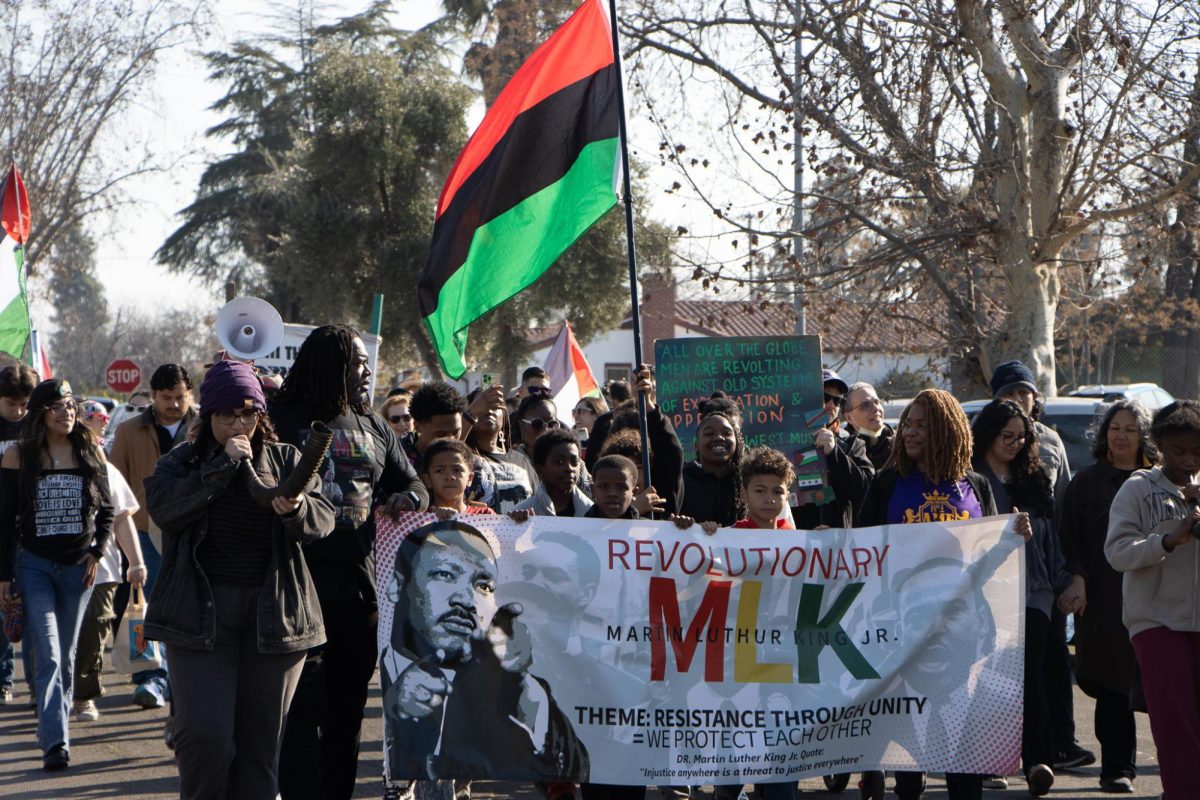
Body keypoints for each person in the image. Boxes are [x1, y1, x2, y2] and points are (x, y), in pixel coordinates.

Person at [143, 359, 335, 799]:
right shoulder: (182, 461)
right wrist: (221, 468)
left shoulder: (288, 459)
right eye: (226, 414)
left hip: (274, 619)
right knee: (205, 738)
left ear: (261, 415)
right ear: (208, 416)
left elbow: (324, 518)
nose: (238, 423)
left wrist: (299, 510)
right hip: (198, 619)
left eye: (248, 413)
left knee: (258, 749)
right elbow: (165, 510)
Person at [271, 324, 430, 800]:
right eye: (356, 363)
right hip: (294, 592)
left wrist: (408, 498)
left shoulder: (375, 426)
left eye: (366, 363)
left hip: (358, 594)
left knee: (346, 713)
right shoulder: (279, 417)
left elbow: (417, 485)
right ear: (329, 364)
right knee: (298, 713)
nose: (366, 371)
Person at [858, 388, 1031, 800]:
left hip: (961, 635)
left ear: (946, 431)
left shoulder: (974, 486)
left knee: (964, 753)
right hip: (905, 632)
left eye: (921, 425)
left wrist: (1011, 540)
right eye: (908, 425)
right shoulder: (888, 483)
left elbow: (987, 560)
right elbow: (862, 553)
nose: (909, 432)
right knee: (908, 758)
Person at [380, 518, 588, 781]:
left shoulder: (519, 689)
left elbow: (575, 767)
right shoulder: (357, 683)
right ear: (398, 585)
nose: (466, 600)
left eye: (483, 586)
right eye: (445, 574)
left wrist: (523, 693)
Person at [0, 379, 114, 770]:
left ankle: (56, 728)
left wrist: (97, 553)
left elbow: (109, 511)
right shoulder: (19, 455)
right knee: (46, 651)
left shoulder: (89, 452)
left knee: (65, 656)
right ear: (41, 414)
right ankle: (55, 743)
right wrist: (3, 576)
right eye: (57, 407)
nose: (67, 413)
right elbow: (3, 521)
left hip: (76, 568)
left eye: (70, 406)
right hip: (33, 565)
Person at [988, 359, 1092, 770]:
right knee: (1004, 671)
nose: (1017, 401)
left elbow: (1062, 513)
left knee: (1051, 665)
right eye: (1008, 394)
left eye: (1023, 393)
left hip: (1043, 578)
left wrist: (1072, 575)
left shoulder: (1049, 444)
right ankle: (1002, 753)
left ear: (1036, 398)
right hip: (994, 580)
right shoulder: (981, 452)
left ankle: (1058, 745)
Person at [971, 399, 1070, 796]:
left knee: (1034, 680)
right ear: (987, 435)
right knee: (991, 679)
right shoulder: (971, 479)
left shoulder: (1035, 479)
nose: (1013, 443)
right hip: (986, 594)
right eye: (1005, 436)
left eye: (1021, 437)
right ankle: (993, 762)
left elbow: (1053, 540)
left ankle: (1037, 763)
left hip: (1035, 594)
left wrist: (1065, 584)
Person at [1104, 400, 1200, 800]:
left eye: (1197, 452)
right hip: (1156, 625)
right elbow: (1118, 552)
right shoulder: (1139, 488)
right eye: (1178, 451)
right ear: (1159, 445)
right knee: (1177, 727)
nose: (1188, 460)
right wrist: (1167, 540)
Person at [1059, 400, 1156, 793]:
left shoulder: (1157, 482)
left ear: (1143, 437)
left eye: (1130, 429)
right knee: (1108, 683)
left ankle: (1156, 765)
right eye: (1115, 428)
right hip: (1101, 598)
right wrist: (1077, 580)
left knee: (1159, 683)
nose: (1121, 436)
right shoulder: (1086, 482)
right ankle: (1116, 769)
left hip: (1152, 597)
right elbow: (1071, 539)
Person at [110, 362, 198, 709]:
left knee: (185, 610)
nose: (175, 405)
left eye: (180, 397)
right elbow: (115, 484)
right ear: (153, 396)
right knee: (144, 611)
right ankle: (150, 679)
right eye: (167, 398)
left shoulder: (206, 427)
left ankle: (179, 681)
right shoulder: (130, 431)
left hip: (191, 532)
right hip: (144, 533)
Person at [72, 461, 147, 722]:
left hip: (101, 571)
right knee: (53, 634)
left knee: (93, 631)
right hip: (49, 567)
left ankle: (83, 696)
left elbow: (122, 517)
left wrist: (136, 562)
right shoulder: (40, 462)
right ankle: (49, 694)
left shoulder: (102, 467)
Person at [586, 366, 684, 516]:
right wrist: (635, 510)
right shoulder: (596, 514)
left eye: (638, 467)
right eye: (605, 485)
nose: (632, 474)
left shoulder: (663, 500)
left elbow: (672, 451)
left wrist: (648, 405)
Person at [794, 369, 873, 529]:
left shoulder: (852, 443)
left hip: (838, 542)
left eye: (837, 401)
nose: (831, 405)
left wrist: (834, 452)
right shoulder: (790, 440)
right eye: (825, 397)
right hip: (797, 540)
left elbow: (866, 492)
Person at [0, 362, 36, 707]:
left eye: (24, 403)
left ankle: (37, 685)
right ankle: (3, 678)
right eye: (11, 404)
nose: (18, 411)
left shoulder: (38, 428)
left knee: (33, 609)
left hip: (31, 530)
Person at [404, 381, 498, 508]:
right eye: (440, 434)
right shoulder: (398, 461)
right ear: (417, 426)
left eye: (456, 432)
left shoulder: (478, 468)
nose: (451, 439)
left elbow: (493, 520)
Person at [465, 386, 538, 512]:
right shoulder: (461, 459)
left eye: (495, 406)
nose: (488, 411)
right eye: (482, 405)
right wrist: (470, 414)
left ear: (504, 417)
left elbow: (538, 503)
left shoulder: (521, 461)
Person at [679, 407, 745, 527]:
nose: (719, 437)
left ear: (737, 442)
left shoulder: (747, 482)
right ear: (697, 445)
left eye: (727, 433)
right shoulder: (682, 483)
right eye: (709, 434)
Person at [514, 428, 592, 517]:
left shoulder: (594, 514)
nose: (569, 468)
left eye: (574, 462)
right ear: (540, 470)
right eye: (559, 462)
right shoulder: (522, 514)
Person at [842, 382, 894, 469]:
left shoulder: (900, 444)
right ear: (849, 417)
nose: (876, 408)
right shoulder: (842, 451)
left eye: (877, 402)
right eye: (866, 405)